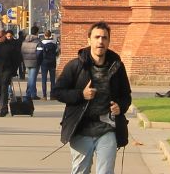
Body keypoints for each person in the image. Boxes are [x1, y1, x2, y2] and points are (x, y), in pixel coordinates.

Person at [52, 21, 131, 174]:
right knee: (81, 171)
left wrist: (120, 107)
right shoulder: (75, 66)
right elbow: (57, 92)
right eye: (97, 37)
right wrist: (81, 95)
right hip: (81, 129)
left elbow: (126, 96)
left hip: (107, 129)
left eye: (104, 38)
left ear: (108, 41)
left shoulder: (117, 67)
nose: (100, 41)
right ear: (89, 40)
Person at [0, 26, 23, 117]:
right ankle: (3, 106)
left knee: (4, 88)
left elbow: (17, 59)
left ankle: (2, 109)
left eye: (0, 37)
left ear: (4, 36)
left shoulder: (10, 45)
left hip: (6, 69)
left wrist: (14, 70)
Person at [23, 25, 44, 100]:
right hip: (35, 61)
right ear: (37, 32)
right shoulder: (37, 41)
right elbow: (40, 52)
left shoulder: (25, 40)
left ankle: (28, 93)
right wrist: (39, 60)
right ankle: (32, 94)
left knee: (30, 78)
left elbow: (22, 50)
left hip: (27, 61)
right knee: (32, 78)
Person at [39, 30, 59, 100]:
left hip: (44, 63)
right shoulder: (54, 43)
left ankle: (44, 96)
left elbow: (39, 54)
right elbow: (57, 52)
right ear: (51, 35)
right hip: (52, 62)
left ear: (44, 35)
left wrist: (39, 61)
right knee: (52, 80)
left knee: (44, 79)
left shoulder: (41, 43)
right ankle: (52, 95)